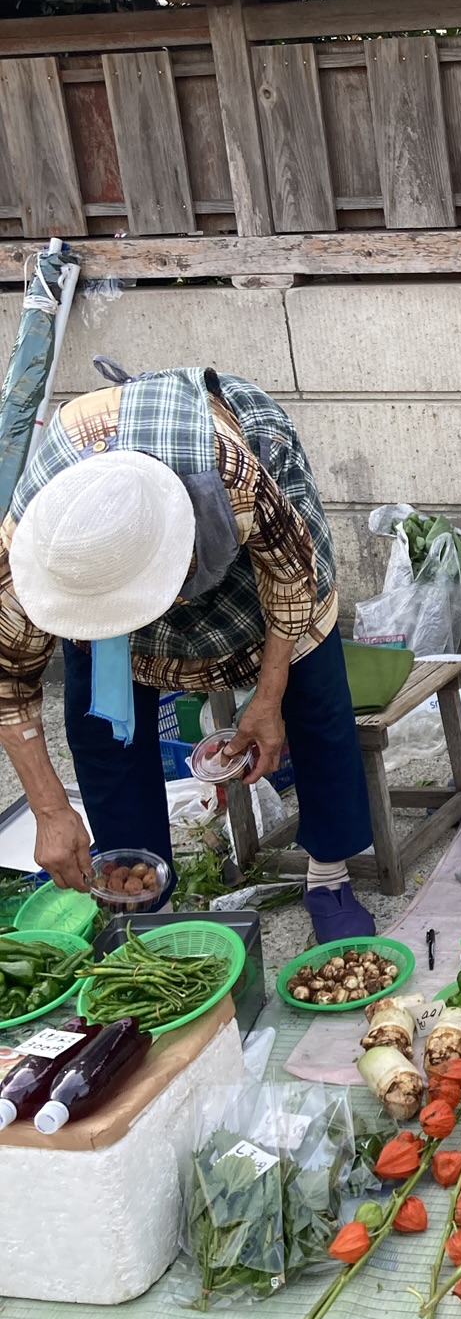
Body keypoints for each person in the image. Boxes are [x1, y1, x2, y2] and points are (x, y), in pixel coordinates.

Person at [0, 364, 378, 944]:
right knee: (102, 723)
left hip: (238, 532)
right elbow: (9, 685)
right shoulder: (27, 545)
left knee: (314, 692)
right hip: (96, 535)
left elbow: (290, 581)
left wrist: (267, 697)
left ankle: (329, 875)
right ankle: (140, 890)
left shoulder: (235, 477)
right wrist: (50, 810)